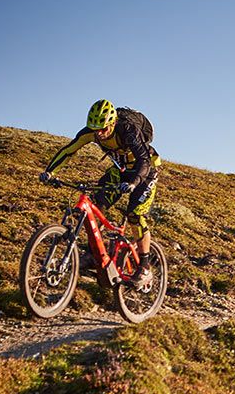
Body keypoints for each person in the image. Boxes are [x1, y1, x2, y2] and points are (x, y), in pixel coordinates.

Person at [39, 99, 160, 288]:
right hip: (120, 171)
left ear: (112, 123)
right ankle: (92, 253)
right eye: (96, 130)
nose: (100, 135)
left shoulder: (127, 130)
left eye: (104, 129)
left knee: (134, 215)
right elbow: (68, 150)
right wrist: (50, 171)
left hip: (145, 172)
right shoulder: (92, 132)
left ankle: (144, 267)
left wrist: (134, 182)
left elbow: (144, 161)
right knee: (95, 206)